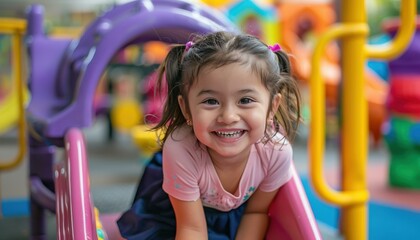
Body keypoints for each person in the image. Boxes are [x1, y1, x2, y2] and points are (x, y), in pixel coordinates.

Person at [117, 31, 302, 240]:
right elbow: (191, 228)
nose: (229, 116)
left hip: (235, 215)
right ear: (186, 109)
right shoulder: (180, 149)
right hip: (175, 210)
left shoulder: (277, 152)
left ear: (272, 107)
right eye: (211, 101)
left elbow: (256, 212)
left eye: (246, 100)